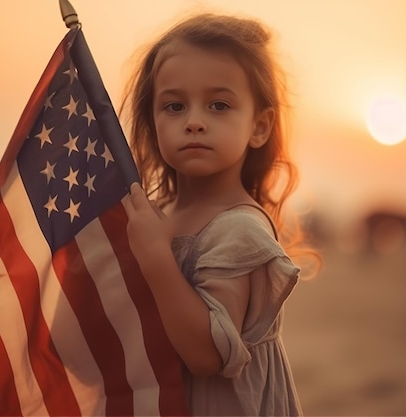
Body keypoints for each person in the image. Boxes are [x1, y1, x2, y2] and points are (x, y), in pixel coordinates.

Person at [120, 12, 318, 416]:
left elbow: (207, 356)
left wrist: (156, 259)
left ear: (258, 126)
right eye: (174, 106)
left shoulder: (239, 229)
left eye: (219, 105)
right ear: (152, 121)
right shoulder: (156, 218)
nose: (194, 122)